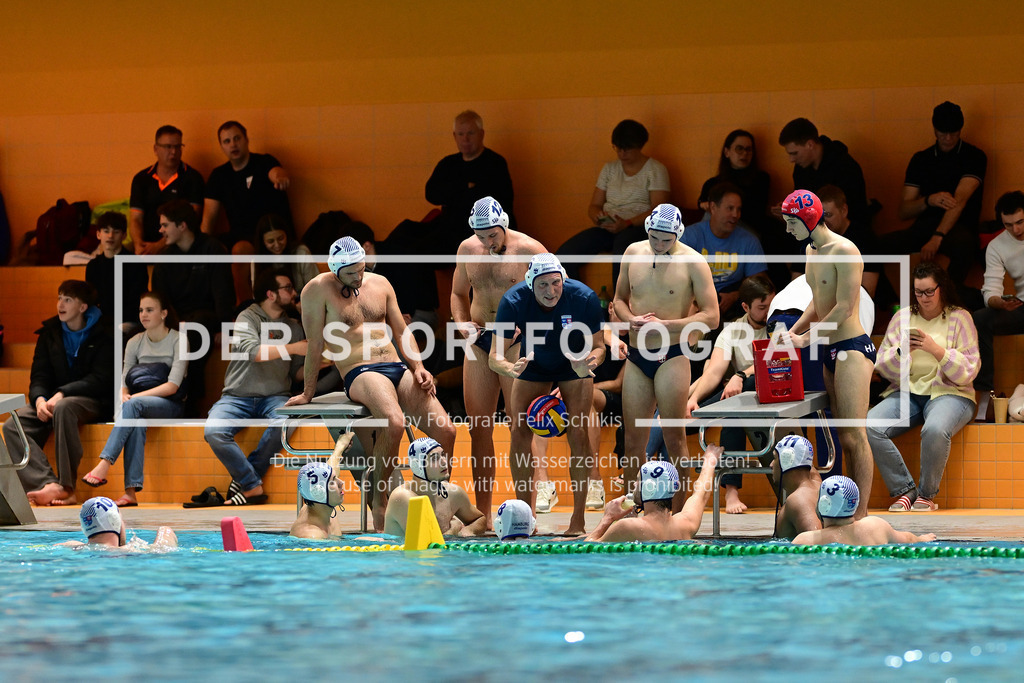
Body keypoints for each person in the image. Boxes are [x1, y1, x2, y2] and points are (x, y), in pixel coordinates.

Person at [286, 237, 456, 532]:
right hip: (359, 370)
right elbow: (314, 344)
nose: (358, 277)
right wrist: (308, 392)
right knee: (394, 421)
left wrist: (419, 367)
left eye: (361, 269)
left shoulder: (380, 283)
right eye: (351, 272)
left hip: (396, 366)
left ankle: (435, 499)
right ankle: (380, 501)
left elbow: (402, 330)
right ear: (335, 268)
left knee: (447, 430)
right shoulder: (316, 290)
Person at [490, 253, 605, 535]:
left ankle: (577, 519)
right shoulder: (513, 300)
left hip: (575, 364)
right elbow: (494, 356)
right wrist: (509, 368)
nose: (551, 291)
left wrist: (588, 362)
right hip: (534, 363)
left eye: (556, 283)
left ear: (563, 280)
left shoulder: (583, 297)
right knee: (518, 430)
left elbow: (601, 347)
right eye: (542, 285)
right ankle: (525, 517)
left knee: (578, 432)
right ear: (530, 284)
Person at [779, 189, 876, 519]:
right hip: (829, 349)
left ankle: (860, 517)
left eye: (791, 222)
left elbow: (844, 308)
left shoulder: (845, 251)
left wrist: (806, 339)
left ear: (807, 219)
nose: (787, 228)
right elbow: (818, 301)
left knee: (854, 435)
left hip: (851, 348)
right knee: (840, 432)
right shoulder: (811, 249)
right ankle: (847, 514)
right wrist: (797, 330)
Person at [613, 204, 718, 500]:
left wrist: (667, 324)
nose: (659, 245)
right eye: (654, 238)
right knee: (633, 440)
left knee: (674, 439)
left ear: (679, 234)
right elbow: (619, 299)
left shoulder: (694, 262)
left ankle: (680, 513)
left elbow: (712, 316)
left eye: (666, 240)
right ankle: (632, 508)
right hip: (636, 356)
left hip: (672, 354)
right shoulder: (632, 252)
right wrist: (629, 318)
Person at [451, 196, 546, 521]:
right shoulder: (467, 249)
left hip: (517, 343)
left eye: (493, 235)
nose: (488, 242)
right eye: (481, 236)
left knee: (520, 427)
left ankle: (527, 515)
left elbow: (558, 296)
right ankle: (484, 516)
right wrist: (462, 322)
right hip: (479, 341)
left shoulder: (531, 250)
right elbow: (458, 293)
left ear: (503, 225)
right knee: (479, 427)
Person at [868, 262, 978, 512]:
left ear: (941, 288)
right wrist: (900, 352)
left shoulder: (960, 317)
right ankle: (905, 489)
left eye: (929, 291)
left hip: (951, 393)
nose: (924, 297)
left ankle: (926, 495)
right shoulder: (902, 317)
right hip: (908, 393)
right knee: (870, 425)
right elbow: (882, 365)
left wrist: (936, 350)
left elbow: (969, 370)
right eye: (919, 292)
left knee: (935, 428)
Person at [2, 280, 114, 506]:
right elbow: (39, 376)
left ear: (82, 307)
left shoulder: (104, 334)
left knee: (64, 407)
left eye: (68, 300)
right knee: (13, 425)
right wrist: (40, 400)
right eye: (59, 298)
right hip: (53, 400)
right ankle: (47, 484)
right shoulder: (49, 333)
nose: (60, 304)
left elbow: (100, 379)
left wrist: (61, 394)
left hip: (92, 401)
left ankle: (67, 487)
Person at [204, 268, 306, 506]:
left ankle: (247, 481)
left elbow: (297, 373)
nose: (294, 293)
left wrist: (325, 363)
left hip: (275, 396)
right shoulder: (246, 318)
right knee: (214, 431)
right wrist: (294, 348)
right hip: (236, 396)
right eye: (288, 288)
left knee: (286, 420)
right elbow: (254, 353)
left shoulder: (295, 326)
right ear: (271, 294)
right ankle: (251, 485)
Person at [81, 291, 188, 507]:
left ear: (164, 313)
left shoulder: (179, 339)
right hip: (137, 405)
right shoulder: (135, 342)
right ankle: (130, 492)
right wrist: (124, 396)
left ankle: (105, 463)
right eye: (141, 310)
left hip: (171, 403)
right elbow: (124, 379)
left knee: (134, 406)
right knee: (135, 421)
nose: (143, 314)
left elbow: (172, 385)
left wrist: (133, 398)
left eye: (150, 310)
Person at [684, 273, 775, 513]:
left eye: (770, 305)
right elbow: (713, 372)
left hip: (774, 391)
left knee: (735, 399)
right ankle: (731, 492)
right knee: (733, 407)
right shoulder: (732, 331)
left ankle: (732, 491)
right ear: (745, 306)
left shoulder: (779, 324)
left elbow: (773, 357)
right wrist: (693, 399)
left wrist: (741, 374)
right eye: (762, 307)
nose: (768, 312)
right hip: (741, 400)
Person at [556, 119, 670, 283]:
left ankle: (619, 302)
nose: (622, 153)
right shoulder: (610, 169)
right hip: (610, 227)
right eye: (618, 148)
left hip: (638, 227)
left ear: (639, 146)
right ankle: (576, 299)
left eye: (627, 149)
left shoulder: (655, 169)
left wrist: (628, 223)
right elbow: (594, 206)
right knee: (566, 254)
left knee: (622, 247)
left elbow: (659, 211)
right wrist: (598, 217)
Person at [888, 101, 986, 284]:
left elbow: (959, 202)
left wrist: (937, 237)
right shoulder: (921, 159)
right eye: (943, 133)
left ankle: (950, 302)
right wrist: (929, 201)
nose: (948, 138)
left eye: (954, 133)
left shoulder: (974, 156)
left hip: (959, 226)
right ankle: (888, 301)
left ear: (960, 130)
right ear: (935, 129)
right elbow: (904, 211)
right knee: (875, 245)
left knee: (964, 244)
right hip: (925, 225)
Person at [151, 199, 234, 414]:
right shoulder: (164, 257)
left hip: (205, 318)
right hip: (176, 319)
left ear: (182, 225)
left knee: (195, 332)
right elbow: (160, 299)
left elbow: (223, 292)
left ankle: (189, 403)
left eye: (165, 225)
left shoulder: (212, 248)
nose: (160, 230)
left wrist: (224, 328)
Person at [201, 120, 293, 301]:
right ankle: (221, 306)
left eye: (237, 138)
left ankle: (244, 306)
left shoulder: (264, 162)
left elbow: (276, 172)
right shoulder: (219, 176)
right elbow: (208, 221)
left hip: (268, 233)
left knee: (240, 250)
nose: (233, 144)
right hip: (239, 233)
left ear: (246, 139)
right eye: (227, 141)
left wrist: (281, 178)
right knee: (212, 247)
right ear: (221, 146)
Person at [585, 445, 722, 542]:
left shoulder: (628, 526)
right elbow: (701, 493)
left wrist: (607, 518)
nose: (634, 484)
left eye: (638, 481)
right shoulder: (686, 523)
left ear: (649, 488)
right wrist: (710, 460)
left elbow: (587, 548)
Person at [424, 110, 516, 254]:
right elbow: (431, 194)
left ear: (481, 134)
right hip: (449, 230)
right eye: (460, 134)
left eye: (471, 133)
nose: (465, 139)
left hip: (485, 232)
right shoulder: (447, 164)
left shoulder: (495, 163)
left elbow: (502, 201)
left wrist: (454, 195)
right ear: (455, 136)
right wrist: (465, 187)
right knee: (412, 245)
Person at [971, 191, 1024, 420]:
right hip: (1021, 305)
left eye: (1021, 222)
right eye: (1009, 224)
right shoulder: (997, 245)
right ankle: (985, 399)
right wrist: (1000, 303)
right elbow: (991, 289)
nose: (1016, 229)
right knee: (980, 318)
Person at [681, 183, 768, 322]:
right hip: (695, 297)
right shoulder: (689, 236)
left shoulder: (749, 240)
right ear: (713, 208)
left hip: (731, 300)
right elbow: (675, 275)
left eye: (739, 209)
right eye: (730, 208)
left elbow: (760, 282)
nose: (735, 215)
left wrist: (735, 295)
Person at [383, 438, 486, 538]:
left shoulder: (453, 493)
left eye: (442, 455)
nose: (444, 462)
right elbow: (429, 542)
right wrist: (454, 529)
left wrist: (467, 530)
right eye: (434, 458)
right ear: (417, 466)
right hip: (399, 554)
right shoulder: (403, 497)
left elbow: (480, 519)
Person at [792, 476, 936, 546]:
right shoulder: (876, 526)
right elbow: (908, 539)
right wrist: (921, 539)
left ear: (824, 504)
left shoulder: (805, 540)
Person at [129, 125, 204, 255]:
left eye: (177, 147)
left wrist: (159, 246)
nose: (173, 152)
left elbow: (192, 219)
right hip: (146, 243)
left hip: (178, 243)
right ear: (156, 149)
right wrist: (138, 244)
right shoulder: (141, 179)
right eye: (168, 147)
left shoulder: (193, 178)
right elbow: (136, 219)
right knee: (113, 253)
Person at [776, 118, 868, 224]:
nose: (791, 160)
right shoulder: (801, 168)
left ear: (810, 144)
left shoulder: (845, 167)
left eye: (794, 153)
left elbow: (846, 214)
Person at [84, 212, 149, 335]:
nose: (110, 236)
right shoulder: (93, 266)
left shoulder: (135, 263)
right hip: (101, 320)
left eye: (116, 231)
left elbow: (136, 301)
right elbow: (91, 300)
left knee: (114, 334)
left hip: (128, 321)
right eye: (106, 231)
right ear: (98, 234)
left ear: (124, 235)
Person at [697, 129, 771, 238]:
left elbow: (756, 212)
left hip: (747, 227)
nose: (745, 153)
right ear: (727, 152)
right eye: (739, 149)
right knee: (709, 216)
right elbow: (701, 203)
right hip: (719, 227)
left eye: (749, 149)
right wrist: (703, 205)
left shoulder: (761, 179)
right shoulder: (712, 183)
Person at [815, 185, 880, 297]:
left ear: (844, 211)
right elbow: (796, 282)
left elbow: (868, 290)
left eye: (828, 215)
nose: (823, 222)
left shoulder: (865, 238)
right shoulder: (811, 238)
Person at [253, 213, 318, 305]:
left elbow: (315, 288)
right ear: (263, 242)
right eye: (270, 241)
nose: (277, 245)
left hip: (302, 304)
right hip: (273, 309)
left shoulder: (300, 252)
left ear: (287, 235)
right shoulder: (258, 259)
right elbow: (258, 296)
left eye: (281, 238)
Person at [289, 444, 349, 540]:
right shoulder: (312, 536)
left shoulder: (320, 505)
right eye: (333, 481)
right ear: (319, 492)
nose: (341, 483)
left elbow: (331, 468)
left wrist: (341, 445)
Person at [771, 435, 823, 540]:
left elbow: (816, 543)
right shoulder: (818, 482)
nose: (771, 464)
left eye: (775, 458)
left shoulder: (799, 500)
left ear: (786, 461)